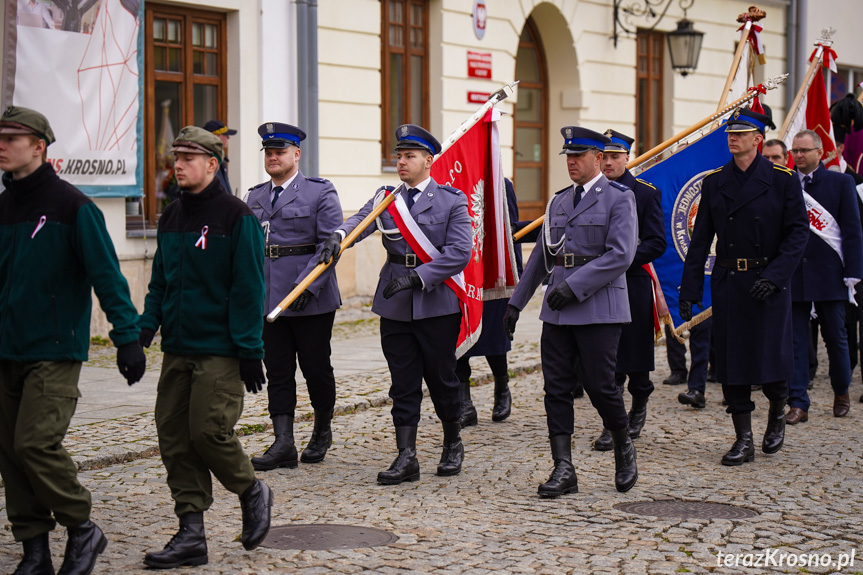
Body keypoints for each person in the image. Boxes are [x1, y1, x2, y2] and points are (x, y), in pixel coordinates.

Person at [0, 105, 146, 575]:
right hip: (6, 348)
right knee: (10, 454)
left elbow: (107, 275)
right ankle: (35, 550)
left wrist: (127, 337)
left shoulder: (72, 206)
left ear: (39, 147)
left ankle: (82, 527)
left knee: (35, 445)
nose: (1, 146)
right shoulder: (3, 207)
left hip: (54, 348)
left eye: (11, 138)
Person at [138, 126, 273, 569]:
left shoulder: (237, 217)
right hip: (177, 346)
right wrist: (141, 334)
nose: (177, 164)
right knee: (174, 438)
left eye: (189, 158)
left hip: (220, 348)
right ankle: (191, 533)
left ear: (212, 165)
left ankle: (252, 490)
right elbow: (160, 282)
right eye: (176, 156)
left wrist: (250, 349)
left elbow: (250, 286)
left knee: (209, 432)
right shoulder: (172, 216)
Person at [319, 124, 471, 485]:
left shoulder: (453, 200)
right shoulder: (388, 198)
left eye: (409, 156)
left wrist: (419, 278)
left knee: (442, 378)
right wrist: (338, 238)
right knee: (402, 382)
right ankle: (407, 455)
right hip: (395, 302)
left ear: (428, 161)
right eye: (399, 156)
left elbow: (460, 253)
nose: (401, 162)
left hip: (437, 302)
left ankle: (452, 442)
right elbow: (361, 221)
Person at [504, 127, 638, 497]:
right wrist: (516, 302)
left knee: (600, 386)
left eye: (578, 156)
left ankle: (623, 442)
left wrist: (574, 286)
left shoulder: (619, 198)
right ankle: (563, 467)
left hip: (599, 308)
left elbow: (621, 255)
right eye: (568, 156)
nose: (571, 163)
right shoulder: (559, 201)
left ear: (598, 158)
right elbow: (542, 257)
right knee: (556, 389)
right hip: (558, 313)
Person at [680, 108, 808, 466]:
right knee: (733, 362)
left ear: (758, 138)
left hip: (768, 282)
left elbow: (798, 233)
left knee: (772, 357)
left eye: (741, 133)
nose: (732, 138)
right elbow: (701, 239)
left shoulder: (782, 179)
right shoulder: (715, 182)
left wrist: (776, 276)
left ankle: (777, 413)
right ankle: (743, 438)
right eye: (729, 133)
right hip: (730, 282)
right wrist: (689, 291)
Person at [246, 122, 343, 470]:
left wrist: (306, 286)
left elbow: (330, 247)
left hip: (311, 297)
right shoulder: (254, 196)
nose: (273, 157)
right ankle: (283, 441)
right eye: (269, 152)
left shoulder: (320, 192)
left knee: (316, 368)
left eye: (280, 151)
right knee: (278, 370)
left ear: (296, 154)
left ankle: (321, 429)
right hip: (269, 298)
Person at [590, 130, 665, 451]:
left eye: (614, 157)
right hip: (596, 285)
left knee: (634, 357)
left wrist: (620, 260)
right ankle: (613, 421)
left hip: (631, 282)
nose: (608, 162)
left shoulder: (645, 194)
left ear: (627, 158)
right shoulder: (590, 192)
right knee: (607, 358)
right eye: (603, 157)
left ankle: (638, 405)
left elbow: (656, 242)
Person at [786, 129, 863, 424]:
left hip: (830, 274)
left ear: (820, 152)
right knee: (795, 341)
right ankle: (798, 402)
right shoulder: (786, 183)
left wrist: (853, 274)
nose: (799, 156)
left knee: (836, 339)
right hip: (795, 275)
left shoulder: (840, 183)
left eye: (804, 150)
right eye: (795, 151)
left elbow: (852, 232)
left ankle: (841, 392)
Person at [456, 178, 521, 426]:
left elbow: (511, 231)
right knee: (459, 336)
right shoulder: (452, 174)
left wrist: (516, 280)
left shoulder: (500, 182)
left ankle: (502, 387)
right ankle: (465, 403)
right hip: (461, 272)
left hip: (493, 272)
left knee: (495, 335)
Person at [203, 120, 236, 195]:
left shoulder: (220, 158)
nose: (228, 138)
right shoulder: (207, 160)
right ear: (215, 137)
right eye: (225, 135)